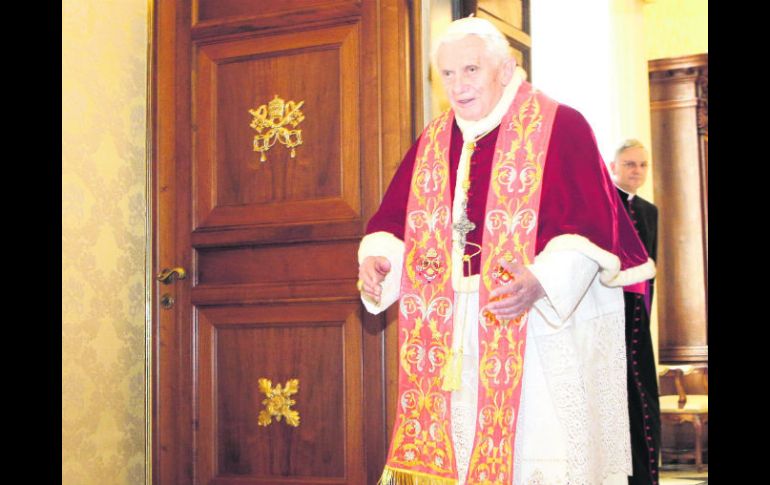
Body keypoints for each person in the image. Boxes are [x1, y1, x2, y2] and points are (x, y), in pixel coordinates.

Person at [357, 17, 655, 485]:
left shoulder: (561, 125)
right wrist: (380, 260)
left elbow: (591, 230)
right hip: (453, 330)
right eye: (448, 75)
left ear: (505, 68)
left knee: (537, 453)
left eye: (470, 70)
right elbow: (395, 221)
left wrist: (542, 280)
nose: (458, 86)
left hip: (537, 325)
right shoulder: (435, 140)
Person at [610, 139, 661, 485]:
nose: (637, 171)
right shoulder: (604, 202)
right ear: (614, 167)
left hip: (639, 319)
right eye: (630, 164)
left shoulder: (649, 210)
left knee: (644, 396)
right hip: (612, 315)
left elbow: (650, 269)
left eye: (642, 165)